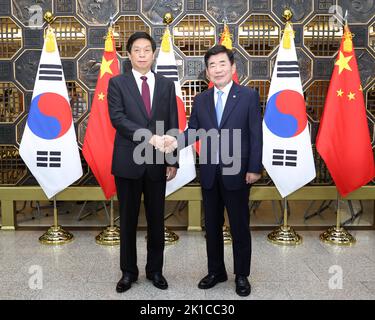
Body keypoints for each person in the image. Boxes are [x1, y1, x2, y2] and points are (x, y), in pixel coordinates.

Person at [166, 45, 262, 296]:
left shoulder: (248, 95)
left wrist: (254, 168)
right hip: (209, 173)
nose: (217, 70)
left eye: (222, 64)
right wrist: (174, 142)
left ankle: (241, 275)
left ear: (232, 68)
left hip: (238, 172)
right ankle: (216, 271)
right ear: (207, 72)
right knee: (212, 226)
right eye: (212, 66)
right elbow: (194, 131)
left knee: (239, 226)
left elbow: (255, 135)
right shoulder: (201, 100)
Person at [107, 32, 178, 293]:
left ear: (154, 53)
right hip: (128, 162)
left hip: (158, 163)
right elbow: (118, 119)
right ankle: (128, 272)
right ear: (128, 55)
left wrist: (173, 160)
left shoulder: (166, 85)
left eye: (146, 50)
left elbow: (172, 124)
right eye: (136, 50)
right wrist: (149, 137)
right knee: (127, 220)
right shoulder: (117, 83)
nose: (142, 54)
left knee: (156, 220)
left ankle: (155, 271)